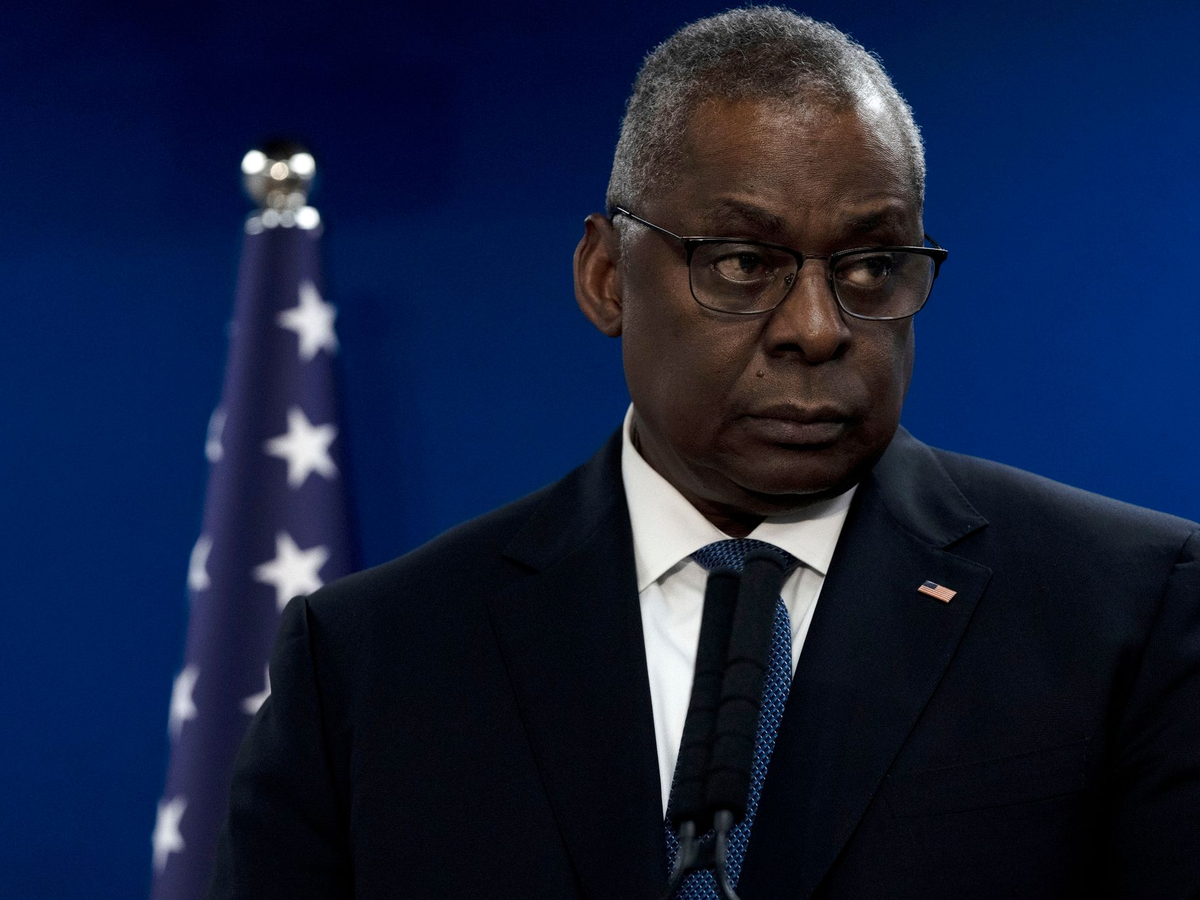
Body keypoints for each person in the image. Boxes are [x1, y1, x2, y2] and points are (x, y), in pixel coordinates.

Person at [207, 8, 1200, 898]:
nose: (817, 328)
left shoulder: (1128, 609)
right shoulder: (372, 662)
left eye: (870, 265)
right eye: (744, 263)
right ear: (607, 278)